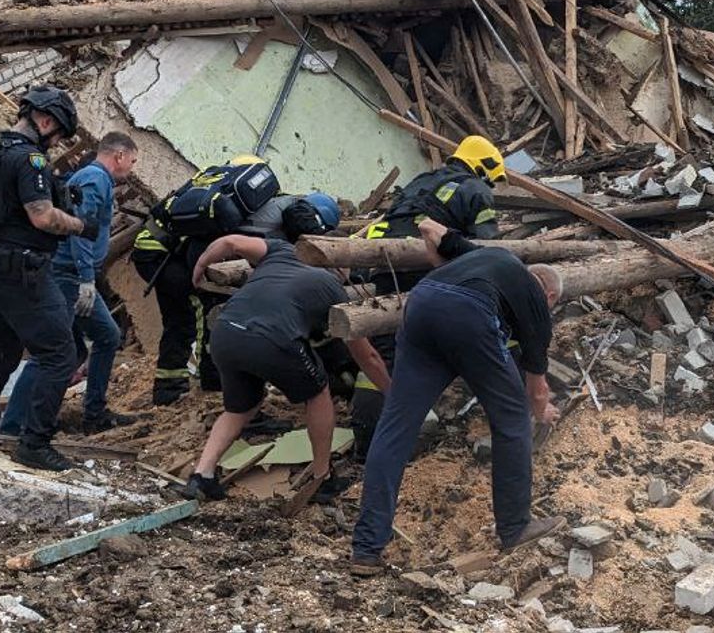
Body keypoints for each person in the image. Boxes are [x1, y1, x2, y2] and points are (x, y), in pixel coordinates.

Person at [349, 218, 565, 576]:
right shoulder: (537, 302)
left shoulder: (486, 256)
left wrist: (423, 224)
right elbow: (537, 388)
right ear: (551, 296)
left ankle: (366, 549)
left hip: (421, 304)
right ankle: (515, 527)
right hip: (470, 313)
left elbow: (431, 230)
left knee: (396, 427)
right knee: (512, 419)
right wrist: (541, 412)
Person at [178, 233, 389, 502]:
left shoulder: (280, 250)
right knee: (318, 394)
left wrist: (200, 266)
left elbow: (230, 242)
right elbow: (367, 357)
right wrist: (391, 394)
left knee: (240, 408)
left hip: (225, 332)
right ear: (338, 264)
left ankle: (202, 475)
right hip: (273, 338)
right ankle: (322, 478)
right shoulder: (333, 289)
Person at [132, 157, 341, 406]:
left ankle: (169, 390)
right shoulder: (295, 206)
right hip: (172, 256)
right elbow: (305, 232)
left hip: (156, 251)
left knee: (179, 321)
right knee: (201, 314)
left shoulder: (224, 192)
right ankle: (211, 384)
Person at [0, 87, 98, 472]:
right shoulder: (30, 159)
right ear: (45, 120)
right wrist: (80, 225)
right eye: (57, 135)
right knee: (61, 354)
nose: (55, 143)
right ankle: (34, 444)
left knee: (1, 355)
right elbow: (42, 217)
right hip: (22, 269)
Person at [351, 136, 505, 457]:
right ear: (484, 166)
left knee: (387, 347)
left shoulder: (421, 181)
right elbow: (486, 246)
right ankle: (413, 430)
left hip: (387, 265)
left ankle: (367, 437)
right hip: (427, 269)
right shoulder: (475, 188)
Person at [0, 132, 140, 443]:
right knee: (57, 350)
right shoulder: (95, 180)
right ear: (118, 156)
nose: (132, 167)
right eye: (132, 160)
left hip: (68, 273)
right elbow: (79, 231)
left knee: (81, 346)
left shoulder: (93, 178)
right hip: (68, 275)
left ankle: (79, 415)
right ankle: (16, 426)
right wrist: (86, 278)